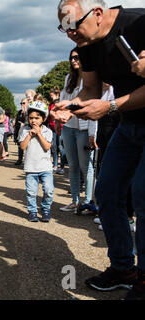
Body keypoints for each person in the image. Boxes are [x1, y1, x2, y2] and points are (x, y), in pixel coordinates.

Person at [55, 0, 145, 300]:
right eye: (63, 28)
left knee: (143, 196)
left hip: (128, 116)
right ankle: (123, 268)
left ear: (96, 13)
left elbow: (107, 101)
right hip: (129, 124)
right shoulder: (88, 43)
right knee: (106, 194)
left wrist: (109, 107)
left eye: (73, 25)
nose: (70, 35)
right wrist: (72, 106)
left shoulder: (138, 23)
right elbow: (91, 89)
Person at [51, 48, 97, 214]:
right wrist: (57, 120)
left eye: (77, 57)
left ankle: (89, 202)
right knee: (73, 166)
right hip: (69, 127)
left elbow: (93, 101)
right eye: (71, 58)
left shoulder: (91, 77)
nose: (73, 60)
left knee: (87, 166)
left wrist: (93, 132)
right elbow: (65, 99)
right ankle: (75, 201)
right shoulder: (69, 78)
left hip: (84, 127)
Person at [93, 83, 135, 233]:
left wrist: (110, 106)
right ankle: (112, 217)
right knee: (106, 183)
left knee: (131, 182)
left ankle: (128, 217)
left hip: (124, 127)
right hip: (110, 132)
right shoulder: (103, 91)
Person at [19, 101, 54, 223]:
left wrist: (38, 134)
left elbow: (47, 146)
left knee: (49, 190)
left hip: (45, 167)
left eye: (37, 118)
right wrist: (29, 135)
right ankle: (32, 211)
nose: (33, 121)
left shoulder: (47, 131)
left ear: (43, 119)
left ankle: (45, 209)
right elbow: (22, 147)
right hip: (31, 167)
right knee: (31, 192)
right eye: (31, 118)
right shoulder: (24, 129)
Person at [49, 87, 66, 175]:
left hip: (61, 128)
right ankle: (55, 165)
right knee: (54, 147)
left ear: (57, 95)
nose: (51, 97)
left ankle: (62, 166)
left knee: (61, 147)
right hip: (52, 128)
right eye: (50, 96)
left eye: (52, 96)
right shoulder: (51, 104)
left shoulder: (61, 103)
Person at [14, 98, 29, 165]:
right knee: (19, 146)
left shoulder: (29, 111)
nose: (22, 104)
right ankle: (19, 159)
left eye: (23, 103)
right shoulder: (19, 112)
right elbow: (17, 122)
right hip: (20, 130)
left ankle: (27, 160)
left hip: (27, 131)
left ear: (28, 103)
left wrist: (25, 113)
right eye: (21, 103)